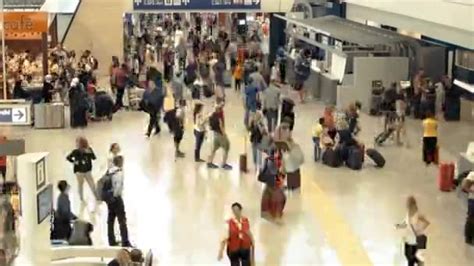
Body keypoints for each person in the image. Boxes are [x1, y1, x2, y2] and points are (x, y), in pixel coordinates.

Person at [396, 196, 430, 266]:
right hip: (415, 240)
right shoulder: (412, 213)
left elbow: (410, 224)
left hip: (412, 241)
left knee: (411, 259)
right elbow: (425, 223)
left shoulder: (414, 215)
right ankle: (420, 263)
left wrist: (400, 226)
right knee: (415, 258)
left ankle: (419, 262)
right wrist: (400, 225)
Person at [105, 156, 131, 247]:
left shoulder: (109, 171)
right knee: (122, 220)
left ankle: (111, 240)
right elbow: (118, 186)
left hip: (109, 198)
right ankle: (125, 241)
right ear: (120, 162)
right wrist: (116, 196)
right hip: (116, 198)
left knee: (110, 220)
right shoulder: (119, 172)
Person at [66, 137, 97, 202]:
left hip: (87, 170)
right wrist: (73, 161)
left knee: (92, 183)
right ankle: (81, 198)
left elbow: (94, 158)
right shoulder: (75, 152)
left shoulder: (89, 150)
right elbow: (68, 157)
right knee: (80, 184)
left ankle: (96, 195)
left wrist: (90, 153)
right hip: (79, 171)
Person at [208, 103, 232, 170]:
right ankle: (224, 164)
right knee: (226, 147)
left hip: (215, 134)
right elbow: (221, 126)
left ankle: (209, 162)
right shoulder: (219, 117)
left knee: (214, 149)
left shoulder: (211, 116)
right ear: (218, 110)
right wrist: (224, 134)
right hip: (220, 134)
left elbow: (210, 126)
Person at [461, 171, 474, 245]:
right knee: (471, 218)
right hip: (473, 200)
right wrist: (472, 190)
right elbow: (465, 186)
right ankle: (468, 237)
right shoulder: (472, 174)